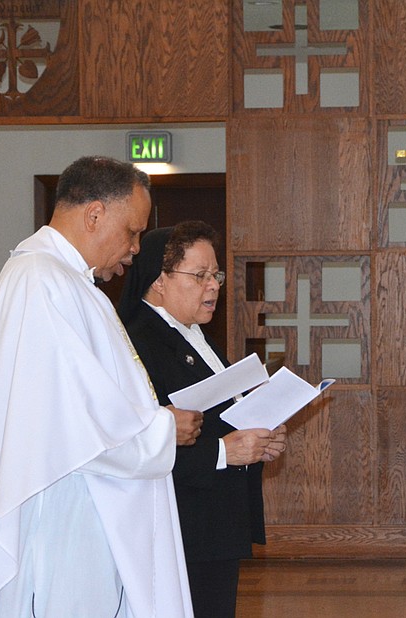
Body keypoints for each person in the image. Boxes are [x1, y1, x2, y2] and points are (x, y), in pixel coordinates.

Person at [0, 156, 198, 617]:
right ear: (94, 215)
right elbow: (70, 418)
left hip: (84, 500)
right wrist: (160, 430)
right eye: (132, 231)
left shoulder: (65, 283)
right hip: (68, 510)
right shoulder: (40, 282)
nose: (136, 248)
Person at [119, 222, 287, 618]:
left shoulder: (193, 334)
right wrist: (225, 451)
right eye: (200, 276)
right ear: (159, 280)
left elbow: (218, 417)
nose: (213, 286)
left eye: (216, 275)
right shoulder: (140, 342)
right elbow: (139, 442)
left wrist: (259, 437)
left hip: (212, 522)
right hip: (180, 524)